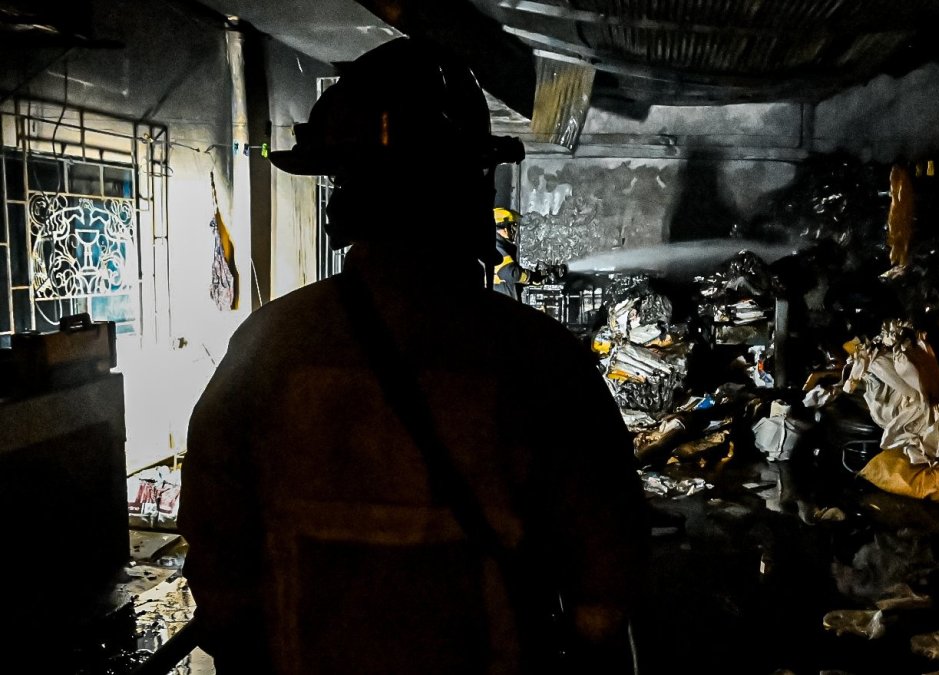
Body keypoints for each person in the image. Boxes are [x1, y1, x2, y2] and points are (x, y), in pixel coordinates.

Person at [178, 36, 647, 675]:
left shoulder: (266, 347)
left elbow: (220, 574)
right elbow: (603, 598)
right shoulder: (541, 358)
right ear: (467, 191)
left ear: (341, 196)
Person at [492, 207, 564, 301]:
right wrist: (530, 277)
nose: (514, 231)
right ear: (504, 228)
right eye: (512, 226)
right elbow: (510, 273)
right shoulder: (495, 244)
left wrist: (532, 278)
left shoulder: (497, 244)